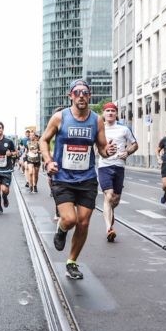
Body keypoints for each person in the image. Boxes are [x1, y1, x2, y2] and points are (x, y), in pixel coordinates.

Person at [38, 80, 116, 280]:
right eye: (77, 92)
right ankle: (62, 229)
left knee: (83, 223)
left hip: (87, 178)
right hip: (63, 177)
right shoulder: (59, 117)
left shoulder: (96, 120)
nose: (81, 95)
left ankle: (71, 262)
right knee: (70, 219)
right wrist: (48, 161)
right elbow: (43, 140)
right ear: (70, 96)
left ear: (89, 96)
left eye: (85, 93)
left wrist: (109, 151)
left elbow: (102, 148)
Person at [97, 103, 138, 242]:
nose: (110, 113)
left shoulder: (124, 129)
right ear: (103, 113)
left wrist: (127, 152)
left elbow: (134, 144)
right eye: (107, 111)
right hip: (104, 166)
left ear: (116, 113)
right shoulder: (99, 128)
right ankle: (109, 228)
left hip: (119, 166)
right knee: (108, 195)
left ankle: (110, 211)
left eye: (112, 111)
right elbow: (94, 147)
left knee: (115, 199)